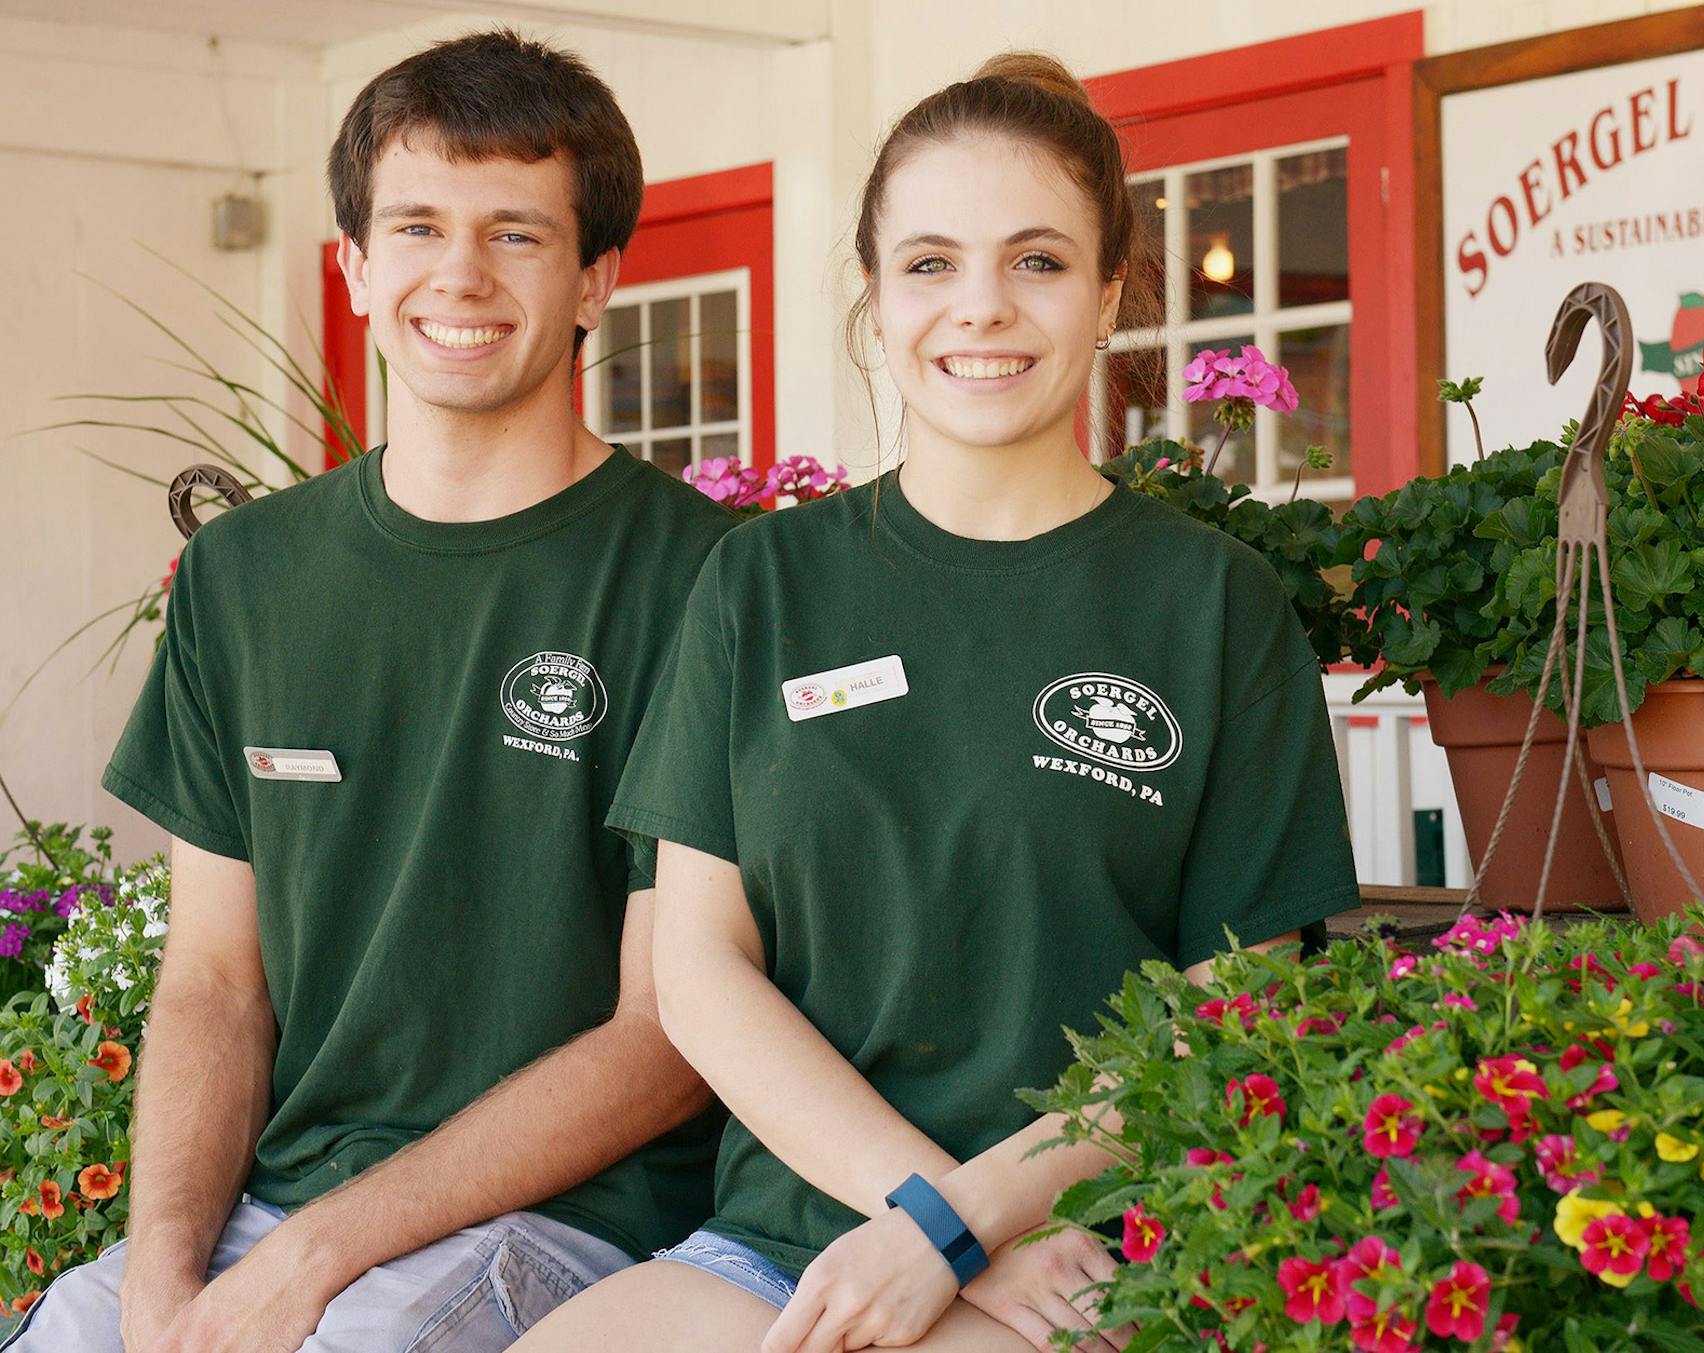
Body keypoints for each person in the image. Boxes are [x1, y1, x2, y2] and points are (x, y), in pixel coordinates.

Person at [510, 52, 1358, 1353]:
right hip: (792, 1239)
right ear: (873, 294)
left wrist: (975, 1221)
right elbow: (697, 968)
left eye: (1037, 260)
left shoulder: (1213, 605)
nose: (982, 308)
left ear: (1111, 288)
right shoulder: (763, 581)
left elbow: (1233, 1012)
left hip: (1090, 1253)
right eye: (930, 263)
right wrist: (926, 1215)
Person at [10, 30, 733, 1353]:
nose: (459, 273)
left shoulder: (707, 580)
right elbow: (217, 982)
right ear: (352, 268)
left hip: (565, 1224)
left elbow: (667, 1033)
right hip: (270, 1215)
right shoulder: (244, 574)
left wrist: (319, 1254)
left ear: (596, 281)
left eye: (517, 233)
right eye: (416, 225)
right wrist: (166, 1269)